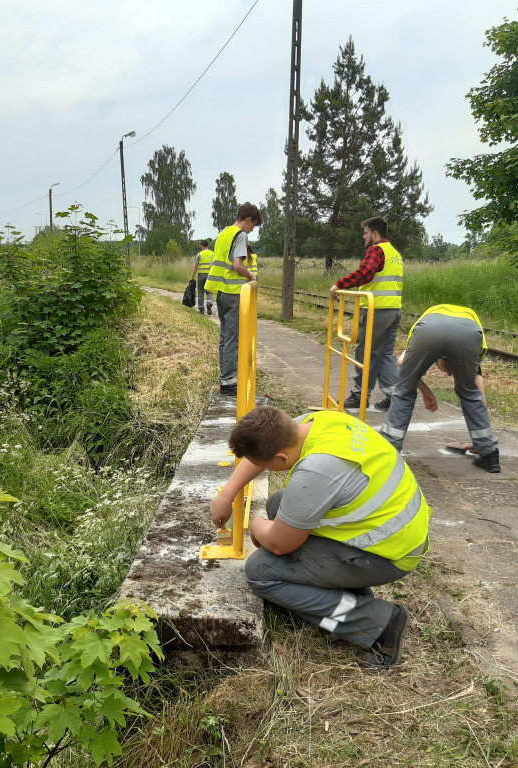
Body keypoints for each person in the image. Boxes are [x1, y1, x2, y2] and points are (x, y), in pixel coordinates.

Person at [210, 406, 430, 669]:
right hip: (395, 530)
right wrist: (227, 494)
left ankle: (378, 623)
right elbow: (258, 454)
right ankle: (346, 589)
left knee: (261, 571)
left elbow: (279, 544)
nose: (260, 467)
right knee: (280, 504)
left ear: (280, 458)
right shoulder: (317, 422)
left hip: (387, 554)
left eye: (264, 465)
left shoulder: (317, 471)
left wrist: (255, 526)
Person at [379, 304, 500, 473]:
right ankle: (490, 456)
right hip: (469, 332)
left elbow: (402, 366)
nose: (451, 374)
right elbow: (476, 394)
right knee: (469, 392)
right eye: (450, 370)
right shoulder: (474, 346)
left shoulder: (430, 332)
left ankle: (389, 449)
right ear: (437, 359)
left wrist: (423, 389)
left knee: (404, 390)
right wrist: (483, 441)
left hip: (430, 329)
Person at [331, 217, 403, 413]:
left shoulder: (376, 250)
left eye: (365, 232)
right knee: (385, 354)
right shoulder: (394, 253)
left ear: (375, 234)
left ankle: (358, 395)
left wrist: (339, 284)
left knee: (366, 354)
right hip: (394, 310)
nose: (363, 236)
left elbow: (366, 272)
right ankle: (395, 395)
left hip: (376, 311)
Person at [205, 203, 262, 396]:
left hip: (221, 291)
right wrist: (251, 277)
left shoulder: (223, 234)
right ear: (248, 220)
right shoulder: (240, 235)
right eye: (253, 226)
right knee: (232, 337)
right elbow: (238, 265)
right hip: (234, 292)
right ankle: (229, 382)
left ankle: (225, 377)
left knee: (224, 337)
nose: (251, 230)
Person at [189, 239, 215, 315]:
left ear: (202, 246)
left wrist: (192, 277)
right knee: (209, 291)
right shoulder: (213, 254)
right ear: (208, 245)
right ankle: (209, 303)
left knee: (201, 292)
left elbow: (196, 267)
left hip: (201, 275)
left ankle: (201, 309)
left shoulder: (199, 254)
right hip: (210, 275)